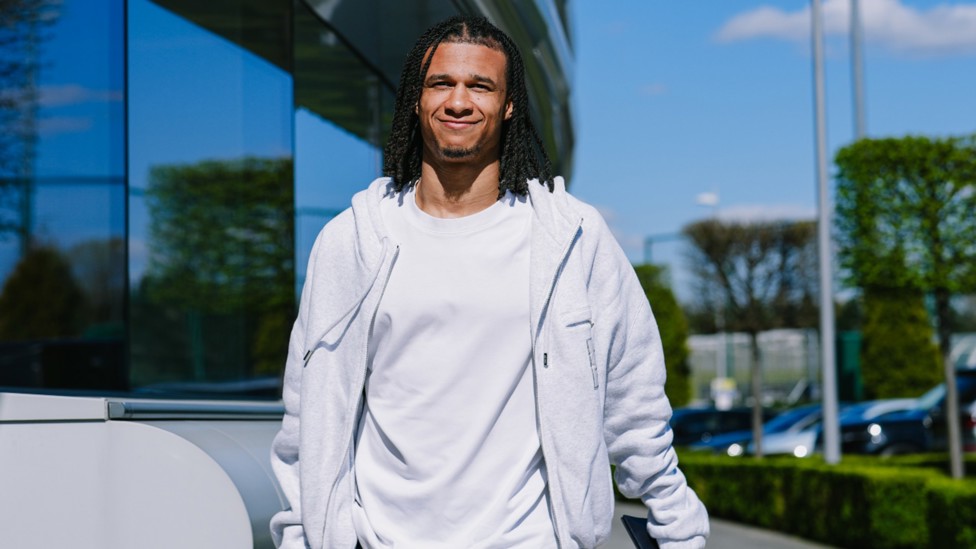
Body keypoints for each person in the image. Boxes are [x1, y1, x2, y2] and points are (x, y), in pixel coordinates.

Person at [270, 14, 709, 549]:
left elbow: (633, 403)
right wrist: (300, 535)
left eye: (480, 86)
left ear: (508, 105)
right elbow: (306, 415)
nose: (458, 102)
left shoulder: (571, 237)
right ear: (416, 97)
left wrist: (677, 524)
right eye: (441, 84)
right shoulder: (353, 241)